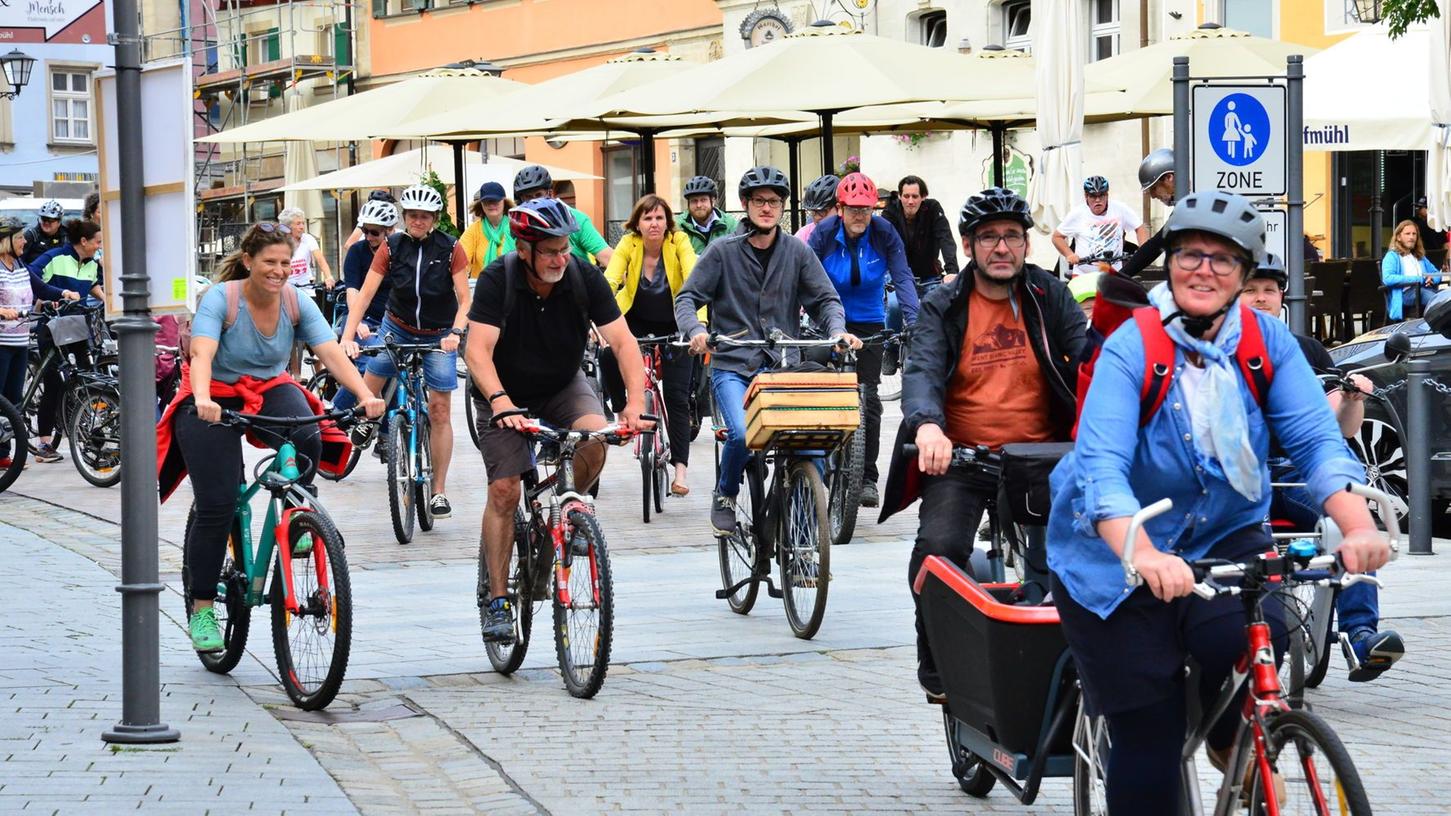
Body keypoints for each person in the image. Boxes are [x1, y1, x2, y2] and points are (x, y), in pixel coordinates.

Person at [1046, 190, 1389, 812]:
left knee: (1266, 632)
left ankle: (1233, 735)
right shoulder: (1133, 345)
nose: (1203, 270)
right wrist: (1142, 552)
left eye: (1223, 260)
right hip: (1115, 553)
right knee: (1149, 737)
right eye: (1189, 255)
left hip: (1222, 531)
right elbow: (1102, 466)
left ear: (1244, 274)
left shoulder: (1266, 344)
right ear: (1170, 261)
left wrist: (1357, 525)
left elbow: (1315, 441)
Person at [878, 187, 1085, 701]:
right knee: (941, 550)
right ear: (968, 245)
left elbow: (1086, 358)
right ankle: (936, 653)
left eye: (1011, 237)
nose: (1001, 248)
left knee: (1086, 555)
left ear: (1027, 246)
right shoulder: (944, 304)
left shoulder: (1047, 295)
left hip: (1043, 459)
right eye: (988, 237)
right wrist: (927, 426)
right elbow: (922, 368)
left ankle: (1086, 655)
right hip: (962, 457)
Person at [161, 222, 384, 652]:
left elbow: (330, 352)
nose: (279, 271)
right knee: (218, 501)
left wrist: (364, 395)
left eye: (285, 262)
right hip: (213, 395)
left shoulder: (296, 302)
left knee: (309, 434)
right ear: (248, 262)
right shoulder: (220, 300)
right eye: (269, 262)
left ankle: (299, 513)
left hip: (267, 387)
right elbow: (202, 354)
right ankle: (203, 607)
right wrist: (204, 398)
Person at [464, 197, 649, 641]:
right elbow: (477, 351)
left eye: (565, 248)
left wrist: (635, 405)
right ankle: (497, 598)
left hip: (561, 385)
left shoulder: (583, 276)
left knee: (595, 440)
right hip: (502, 394)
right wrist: (502, 402)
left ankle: (566, 514)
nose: (561, 258)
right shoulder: (498, 279)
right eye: (550, 251)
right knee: (506, 490)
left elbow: (623, 343)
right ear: (524, 249)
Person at [1241, 253, 1405, 681]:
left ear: (1281, 297)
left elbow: (1343, 432)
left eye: (1269, 291)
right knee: (1247, 534)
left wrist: (1353, 400)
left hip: (1297, 468)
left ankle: (1358, 634)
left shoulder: (1307, 350)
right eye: (1251, 291)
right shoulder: (1217, 349)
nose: (1261, 299)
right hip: (1241, 468)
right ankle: (1259, 637)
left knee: (1349, 518)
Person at [674, 165, 859, 535]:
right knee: (743, 434)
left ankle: (803, 538)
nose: (767, 208)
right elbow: (687, 298)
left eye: (774, 202)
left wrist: (837, 331)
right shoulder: (721, 251)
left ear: (783, 208)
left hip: (782, 369)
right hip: (734, 366)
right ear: (745, 205)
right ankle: (726, 492)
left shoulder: (797, 251)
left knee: (811, 447)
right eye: (759, 201)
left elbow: (826, 300)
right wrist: (696, 330)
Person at [339, 184, 470, 520]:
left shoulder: (452, 248)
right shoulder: (391, 247)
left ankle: (438, 491)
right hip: (396, 327)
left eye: (425, 216)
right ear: (404, 217)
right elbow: (365, 296)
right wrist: (348, 336)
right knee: (372, 379)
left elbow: (465, 298)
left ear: (435, 219)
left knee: (439, 410)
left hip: (440, 334)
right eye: (412, 215)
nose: (418, 221)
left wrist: (456, 332)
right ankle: (370, 419)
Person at [806, 172, 920, 508]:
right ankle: (819, 460)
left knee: (868, 398)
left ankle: (867, 476)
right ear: (839, 208)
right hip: (826, 321)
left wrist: (914, 323)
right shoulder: (823, 234)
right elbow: (801, 275)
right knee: (821, 391)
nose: (860, 216)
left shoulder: (885, 234)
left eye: (867, 209)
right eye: (853, 208)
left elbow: (902, 277)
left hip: (870, 322)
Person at [601, 194, 698, 495]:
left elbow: (694, 278)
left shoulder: (679, 241)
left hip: (676, 323)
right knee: (606, 355)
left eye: (659, 218)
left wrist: (699, 327)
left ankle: (680, 471)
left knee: (677, 398)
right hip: (637, 320)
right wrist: (599, 318)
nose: (654, 224)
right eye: (647, 218)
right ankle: (622, 414)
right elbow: (610, 281)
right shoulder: (628, 244)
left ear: (668, 222)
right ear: (637, 224)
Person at [0, 217, 77, 469]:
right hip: (1, 342)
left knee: (12, 401)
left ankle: (3, 454)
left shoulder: (21, 265)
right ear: (7, 241)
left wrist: (63, 293)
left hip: (20, 341)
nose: (25, 241)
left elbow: (41, 288)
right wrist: (2, 310)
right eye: (20, 237)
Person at [26, 219, 105, 464]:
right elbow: (30, 276)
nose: (99, 247)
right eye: (97, 242)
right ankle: (45, 444)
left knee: (85, 376)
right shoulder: (55, 257)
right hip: (52, 326)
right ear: (84, 241)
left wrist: (112, 306)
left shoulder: (91, 264)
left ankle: (85, 434)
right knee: (54, 382)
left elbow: (92, 286)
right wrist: (51, 296)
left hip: (78, 326)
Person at [331, 199, 398, 417]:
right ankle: (337, 412)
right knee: (373, 363)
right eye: (365, 231)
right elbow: (353, 291)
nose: (368, 237)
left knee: (397, 371)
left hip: (395, 322)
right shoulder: (357, 252)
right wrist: (357, 321)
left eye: (374, 232)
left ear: (389, 230)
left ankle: (388, 434)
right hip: (364, 320)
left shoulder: (399, 250)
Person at [512, 165, 613, 267]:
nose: (534, 202)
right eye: (528, 197)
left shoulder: (575, 218)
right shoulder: (517, 225)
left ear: (550, 194)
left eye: (539, 195)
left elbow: (607, 257)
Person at [1053, 175, 1149, 277]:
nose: (1098, 200)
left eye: (1102, 195)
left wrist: (1142, 250)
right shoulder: (1077, 214)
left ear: (1107, 195)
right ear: (1086, 196)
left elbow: (1140, 228)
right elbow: (1057, 237)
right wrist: (1069, 254)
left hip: (1115, 273)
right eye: (1093, 196)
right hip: (1083, 274)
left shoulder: (1120, 209)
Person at [881, 174, 959, 288]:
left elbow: (945, 238)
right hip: (899, 276)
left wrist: (952, 271)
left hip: (929, 276)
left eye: (915, 196)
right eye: (906, 196)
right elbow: (881, 242)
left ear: (923, 196)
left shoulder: (933, 208)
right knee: (893, 305)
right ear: (900, 196)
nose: (910, 201)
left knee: (939, 304)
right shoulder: (890, 212)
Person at [1121, 148, 1175, 278]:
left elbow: (1156, 245)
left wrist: (1118, 277)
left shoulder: (1191, 205)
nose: (1153, 196)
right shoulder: (1187, 203)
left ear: (1169, 178)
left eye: (1154, 188)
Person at [1380, 218, 1443, 322]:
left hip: (1425, 290)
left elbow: (1436, 273)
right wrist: (1420, 279)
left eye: (1414, 234)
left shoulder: (1419, 256)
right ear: (1399, 237)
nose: (1411, 237)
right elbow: (1388, 278)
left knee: (1445, 295)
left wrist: (1431, 279)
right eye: (1407, 234)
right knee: (1434, 298)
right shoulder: (1392, 256)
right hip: (1405, 294)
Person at [459, 182, 515, 277]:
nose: (491, 204)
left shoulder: (515, 227)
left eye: (495, 200)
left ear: (504, 202)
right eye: (487, 201)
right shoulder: (473, 230)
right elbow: (460, 261)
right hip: (482, 288)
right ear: (481, 204)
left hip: (512, 286)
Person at [677, 175, 738, 255]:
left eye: (703, 200)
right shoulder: (677, 226)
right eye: (694, 201)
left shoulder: (730, 225)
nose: (698, 205)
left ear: (713, 201)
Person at [277, 207, 334, 290]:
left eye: (303, 223)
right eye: (298, 223)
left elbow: (320, 259)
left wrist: (328, 277)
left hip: (306, 287)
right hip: (285, 288)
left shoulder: (308, 239)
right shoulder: (278, 243)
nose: (302, 227)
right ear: (287, 227)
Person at [793, 174, 839, 244]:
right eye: (813, 212)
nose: (816, 217)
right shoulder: (804, 234)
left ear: (839, 208)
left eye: (822, 211)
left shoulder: (852, 234)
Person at [21, 200, 67, 266]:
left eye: (51, 220)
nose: (46, 223)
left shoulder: (67, 238)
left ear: (59, 222)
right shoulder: (31, 236)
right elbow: (19, 260)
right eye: (44, 219)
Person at [1413, 196, 1448, 263]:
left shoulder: (1419, 224)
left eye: (1420, 207)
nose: (1417, 209)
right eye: (1416, 207)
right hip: (1424, 255)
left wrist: (1446, 260)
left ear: (1428, 209)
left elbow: (1445, 243)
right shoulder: (1439, 223)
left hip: (1430, 256)